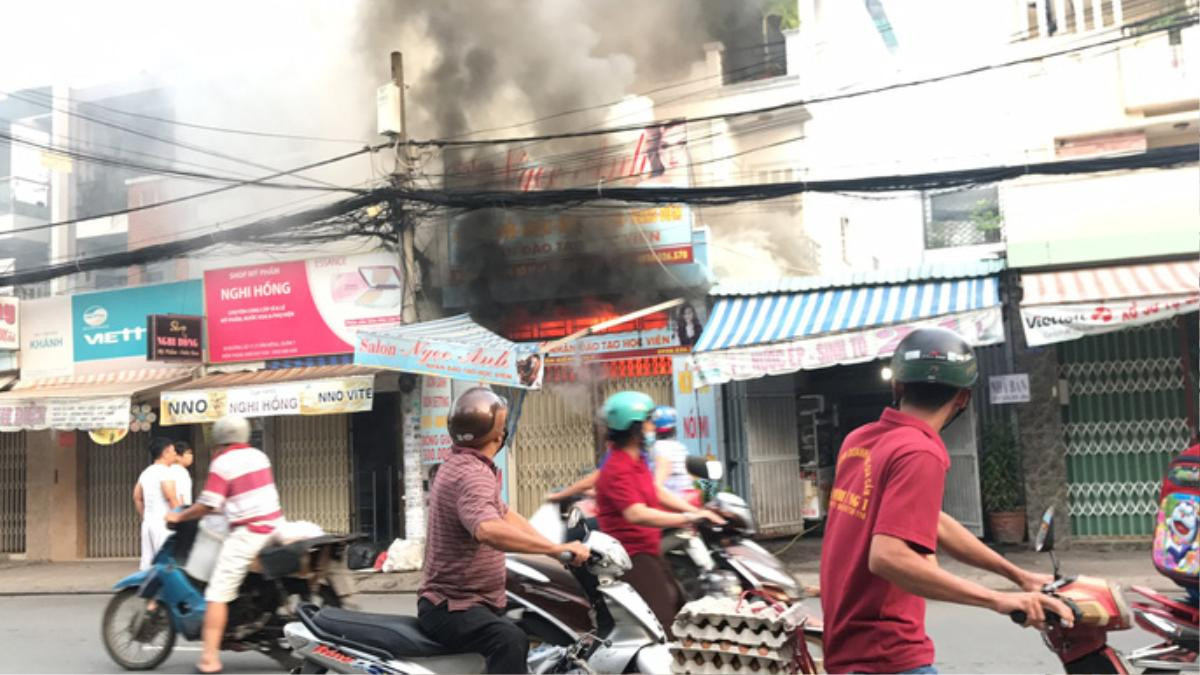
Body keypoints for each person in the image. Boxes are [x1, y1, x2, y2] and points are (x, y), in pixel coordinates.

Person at [820, 328, 1073, 675]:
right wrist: (999, 600)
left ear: (898, 387)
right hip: (886, 655)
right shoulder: (919, 450)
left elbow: (932, 521)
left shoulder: (858, 441)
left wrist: (1018, 576)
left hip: (850, 648)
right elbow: (888, 557)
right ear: (963, 399)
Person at [418, 387, 589, 674]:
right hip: (453, 607)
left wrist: (553, 548)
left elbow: (505, 515)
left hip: (468, 601)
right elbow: (487, 529)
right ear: (499, 435)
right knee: (509, 640)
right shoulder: (472, 475)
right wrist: (554, 549)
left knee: (531, 613)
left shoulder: (463, 463)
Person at [594, 391, 724, 633]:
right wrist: (689, 517)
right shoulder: (617, 466)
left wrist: (696, 511)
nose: (652, 427)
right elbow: (636, 513)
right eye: (648, 421)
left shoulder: (638, 459)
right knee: (662, 621)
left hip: (649, 549)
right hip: (631, 557)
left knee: (677, 602)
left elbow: (655, 491)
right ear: (633, 427)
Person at [166, 415, 283, 675]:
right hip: (274, 527)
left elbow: (208, 503)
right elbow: (240, 497)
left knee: (217, 593)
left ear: (219, 438)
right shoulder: (259, 456)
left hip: (249, 533)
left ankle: (209, 660)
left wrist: (180, 515)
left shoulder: (223, 462)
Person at [133, 437, 180, 571]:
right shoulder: (165, 472)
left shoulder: (146, 472)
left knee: (148, 566)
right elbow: (171, 497)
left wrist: (145, 516)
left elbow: (137, 497)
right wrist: (180, 519)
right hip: (163, 525)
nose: (175, 455)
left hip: (148, 525)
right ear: (165, 453)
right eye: (173, 451)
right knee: (167, 566)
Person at [650, 406, 699, 506]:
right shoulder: (680, 447)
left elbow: (659, 481)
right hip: (688, 497)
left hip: (672, 501)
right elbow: (693, 476)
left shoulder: (658, 447)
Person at [170, 440, 194, 506]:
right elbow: (179, 496)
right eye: (188, 453)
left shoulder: (175, 470)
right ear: (177, 456)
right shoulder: (179, 472)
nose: (191, 456)